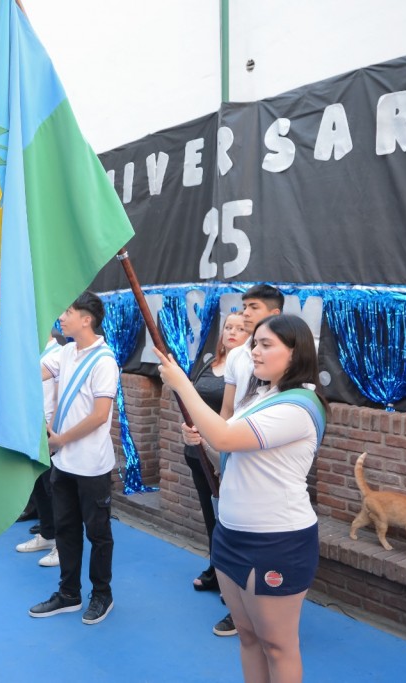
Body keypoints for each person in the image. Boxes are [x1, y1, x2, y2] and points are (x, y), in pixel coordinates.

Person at [157, 314, 328, 683]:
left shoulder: (298, 406)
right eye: (255, 343)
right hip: (231, 532)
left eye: (266, 345)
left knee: (278, 646)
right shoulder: (261, 396)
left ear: (295, 353)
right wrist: (202, 440)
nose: (254, 351)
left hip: (276, 540)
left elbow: (226, 437)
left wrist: (183, 386)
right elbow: (230, 457)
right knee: (249, 637)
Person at [29, 292, 119, 625]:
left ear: (87, 319)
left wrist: (60, 439)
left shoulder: (105, 360)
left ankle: (102, 596)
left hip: (91, 464)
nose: (61, 317)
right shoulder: (66, 352)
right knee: (66, 528)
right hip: (63, 462)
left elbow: (99, 415)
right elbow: (34, 373)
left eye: (67, 312)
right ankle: (68, 594)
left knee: (98, 533)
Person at [212, 283, 284, 636]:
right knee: (227, 526)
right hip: (233, 454)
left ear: (275, 314)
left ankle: (271, 611)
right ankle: (235, 605)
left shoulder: (292, 364)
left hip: (264, 466)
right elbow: (228, 410)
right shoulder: (240, 354)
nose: (243, 314)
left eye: (252, 307)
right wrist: (218, 451)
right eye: (242, 307)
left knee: (262, 538)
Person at [186, 312, 249, 593]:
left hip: (224, 454)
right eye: (228, 327)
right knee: (211, 515)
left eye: (240, 328)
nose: (232, 332)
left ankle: (231, 578)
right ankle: (215, 568)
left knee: (230, 519)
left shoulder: (248, 372)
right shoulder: (209, 362)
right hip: (196, 452)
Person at [16, 332, 68, 567]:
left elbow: (56, 392)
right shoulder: (32, 353)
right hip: (30, 427)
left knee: (53, 488)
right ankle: (47, 534)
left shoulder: (58, 353)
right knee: (37, 484)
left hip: (47, 428)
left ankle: (61, 543)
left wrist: (52, 427)